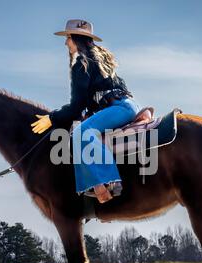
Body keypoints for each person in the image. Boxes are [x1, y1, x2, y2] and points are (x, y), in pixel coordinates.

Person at [31, 19, 140, 203]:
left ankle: (110, 180)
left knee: (82, 132)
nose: (65, 43)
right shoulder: (101, 60)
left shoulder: (81, 64)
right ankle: (93, 189)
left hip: (118, 107)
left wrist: (52, 118)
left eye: (67, 38)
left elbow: (76, 107)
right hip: (128, 105)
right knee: (80, 132)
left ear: (75, 39)